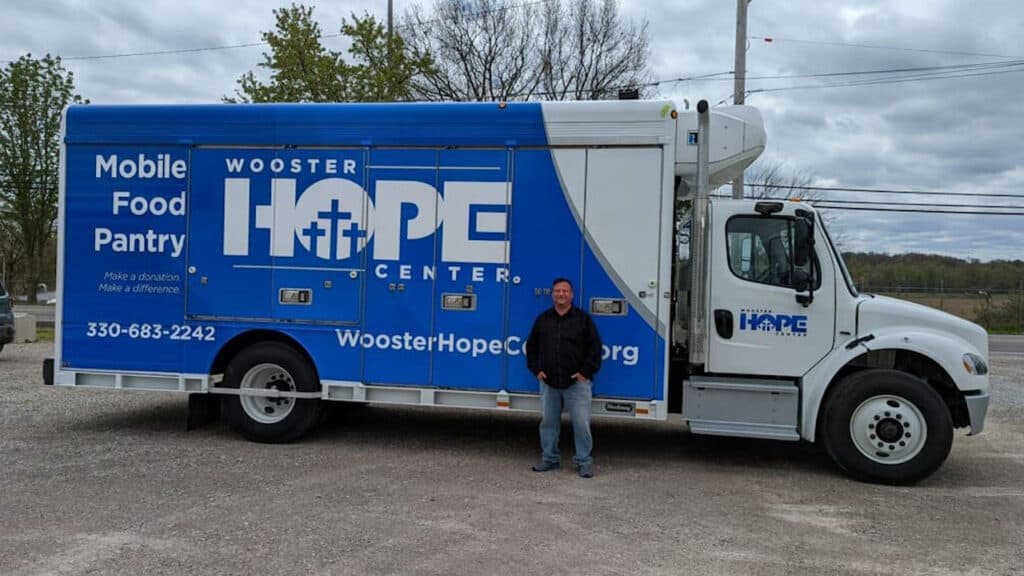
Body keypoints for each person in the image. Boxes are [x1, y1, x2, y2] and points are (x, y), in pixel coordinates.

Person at [526, 277, 602, 478]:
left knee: (581, 424)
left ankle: (583, 462)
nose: (561, 294)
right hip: (550, 383)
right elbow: (531, 346)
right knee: (549, 423)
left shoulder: (582, 319)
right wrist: (536, 370)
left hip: (576, 384)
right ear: (552, 294)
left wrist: (585, 373)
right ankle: (549, 459)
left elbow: (595, 349)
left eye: (565, 291)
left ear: (571, 295)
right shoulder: (543, 319)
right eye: (557, 291)